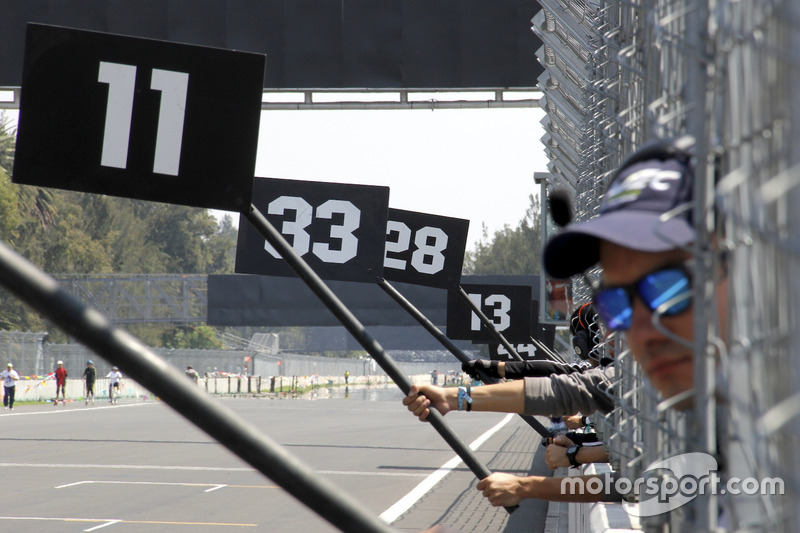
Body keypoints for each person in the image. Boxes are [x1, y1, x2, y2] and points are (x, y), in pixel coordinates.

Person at [409, 137, 726, 506]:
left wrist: (563, 464)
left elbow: (569, 387)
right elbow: (577, 394)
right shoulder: (652, 389)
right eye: (617, 305)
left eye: (668, 289)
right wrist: (456, 397)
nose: (639, 330)